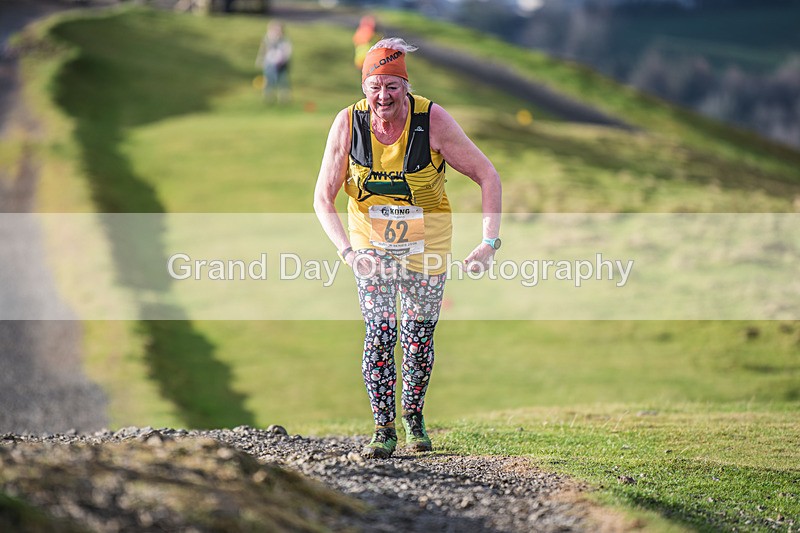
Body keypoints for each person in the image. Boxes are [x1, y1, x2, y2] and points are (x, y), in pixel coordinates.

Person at [313, 38, 502, 459]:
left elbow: (488, 175)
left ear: (406, 86)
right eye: (374, 86)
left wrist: (489, 242)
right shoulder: (348, 123)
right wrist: (349, 252)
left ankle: (413, 418)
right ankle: (383, 429)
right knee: (380, 331)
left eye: (392, 87)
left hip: (427, 245)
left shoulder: (432, 120)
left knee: (417, 338)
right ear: (364, 87)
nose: (383, 96)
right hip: (370, 244)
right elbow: (323, 198)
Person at [255, 21, 292, 103]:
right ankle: (268, 98)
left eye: (278, 30)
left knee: (283, 82)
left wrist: (283, 60)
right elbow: (263, 51)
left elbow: (287, 51)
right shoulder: (267, 39)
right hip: (269, 64)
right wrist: (260, 60)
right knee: (269, 81)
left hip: (282, 65)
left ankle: (284, 99)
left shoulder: (284, 41)